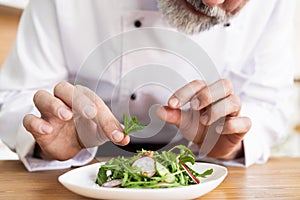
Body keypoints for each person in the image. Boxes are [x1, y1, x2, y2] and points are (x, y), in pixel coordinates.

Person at [0, 0, 295, 171]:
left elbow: (271, 102)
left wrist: (232, 143)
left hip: (207, 173)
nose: (216, 1)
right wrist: (49, 136)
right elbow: (14, 95)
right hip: (83, 170)